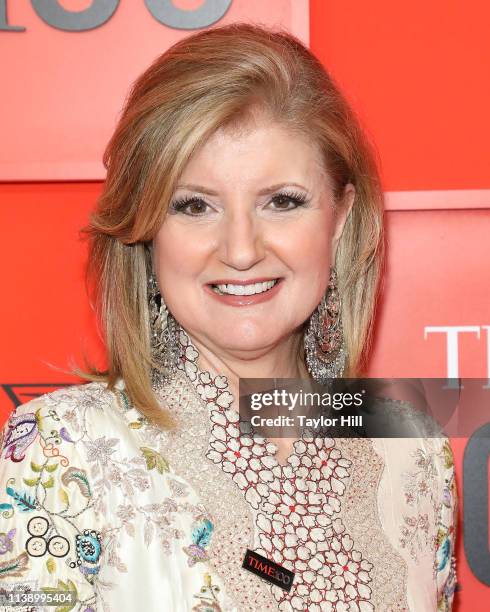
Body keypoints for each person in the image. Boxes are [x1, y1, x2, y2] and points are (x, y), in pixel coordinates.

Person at [0, 23, 457, 612]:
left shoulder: (414, 450)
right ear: (145, 229)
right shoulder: (63, 453)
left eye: (282, 201)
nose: (241, 249)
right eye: (195, 206)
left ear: (340, 217)